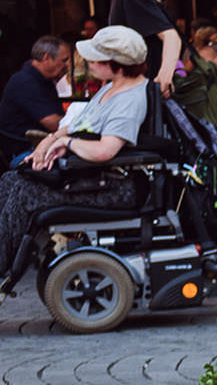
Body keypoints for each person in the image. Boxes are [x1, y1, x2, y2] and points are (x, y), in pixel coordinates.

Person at [0, 27, 154, 274]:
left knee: (24, 192)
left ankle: (4, 262)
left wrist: (66, 144)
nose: (89, 61)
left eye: (96, 58)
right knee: (10, 180)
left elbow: (105, 150)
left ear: (115, 63)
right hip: (94, 177)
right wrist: (49, 142)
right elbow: (73, 127)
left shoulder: (129, 99)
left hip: (114, 186)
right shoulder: (110, 89)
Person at [0, 36, 71, 165]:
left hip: (40, 144)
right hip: (24, 152)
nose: (68, 65)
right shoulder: (26, 82)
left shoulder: (44, 79)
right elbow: (53, 124)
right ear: (46, 58)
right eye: (64, 60)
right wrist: (81, 122)